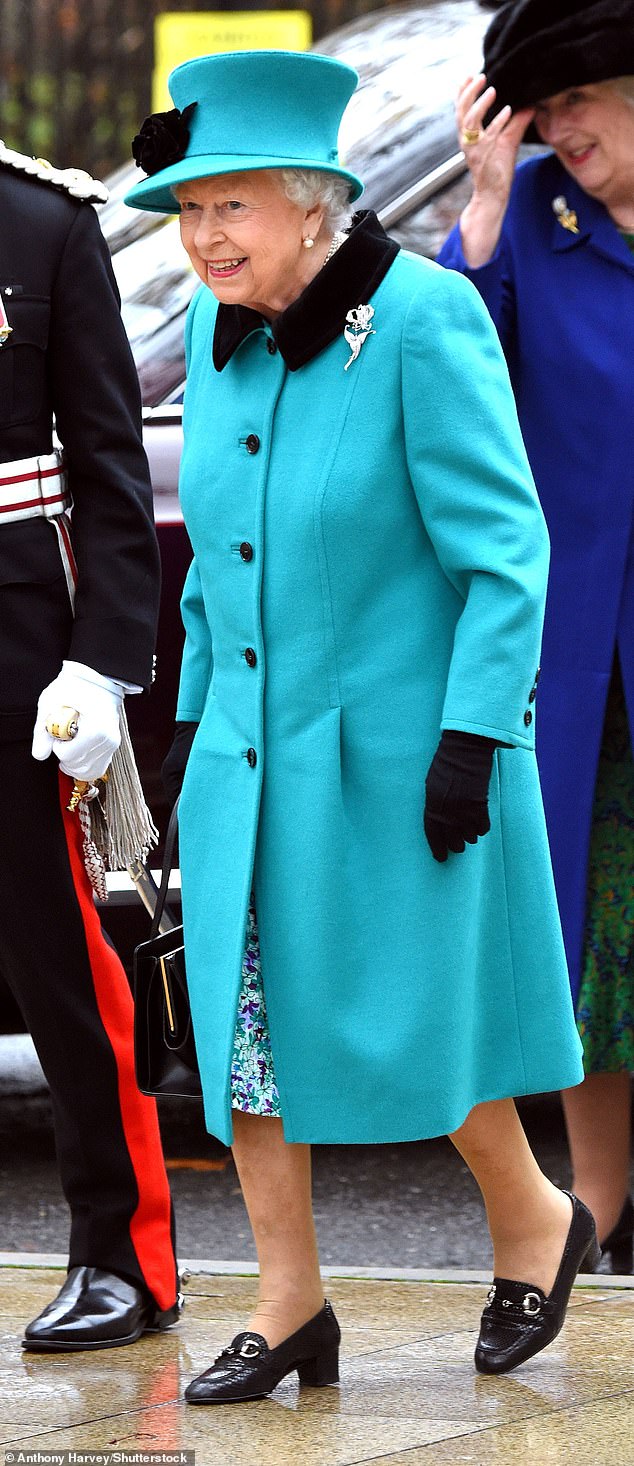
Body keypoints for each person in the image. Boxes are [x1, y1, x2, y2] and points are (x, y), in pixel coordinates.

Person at [127, 49, 595, 1400]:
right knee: (242, 1031)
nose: (204, 237)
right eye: (188, 211)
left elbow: (505, 554)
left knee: (415, 1018)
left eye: (231, 207)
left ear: (312, 203)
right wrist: (191, 728)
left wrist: (471, 738)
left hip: (400, 763)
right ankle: (289, 1304)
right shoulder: (221, 351)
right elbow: (216, 572)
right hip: (247, 767)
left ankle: (532, 1216)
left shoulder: (420, 321)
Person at [438, 0, 634, 1272]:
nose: (553, 125)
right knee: (585, 926)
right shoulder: (534, 225)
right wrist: (487, 206)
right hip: (576, 645)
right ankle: (603, 1201)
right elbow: (447, 379)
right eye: (533, 106)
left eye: (575, 100)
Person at [0, 140, 180, 1348]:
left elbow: (111, 464)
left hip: (13, 636)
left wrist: (103, 658)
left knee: (64, 962)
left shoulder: (43, 222)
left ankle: (122, 1253)